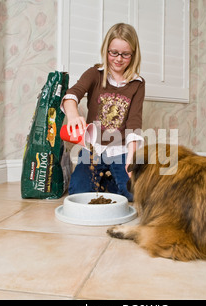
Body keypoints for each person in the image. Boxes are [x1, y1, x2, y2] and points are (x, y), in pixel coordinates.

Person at [61, 23, 145, 201]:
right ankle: (100, 180)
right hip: (93, 148)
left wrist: (131, 157)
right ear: (106, 49)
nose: (118, 59)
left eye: (125, 54)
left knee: (133, 194)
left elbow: (134, 123)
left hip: (120, 149)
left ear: (134, 54)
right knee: (78, 191)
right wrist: (73, 115)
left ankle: (109, 182)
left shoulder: (137, 83)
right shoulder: (94, 74)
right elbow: (71, 95)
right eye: (113, 52)